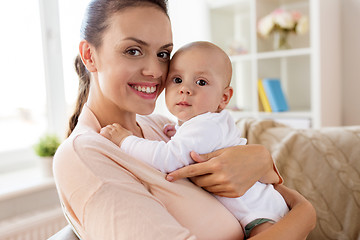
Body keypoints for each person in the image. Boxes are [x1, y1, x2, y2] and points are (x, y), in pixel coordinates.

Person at [53, 0, 316, 239]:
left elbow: (259, 188)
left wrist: (261, 158)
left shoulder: (158, 126)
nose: (155, 71)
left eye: (163, 54)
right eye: (133, 51)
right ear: (89, 55)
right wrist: (305, 214)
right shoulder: (86, 155)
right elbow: (293, 208)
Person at [99, 41, 289, 238]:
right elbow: (194, 146)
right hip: (260, 206)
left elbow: (167, 158)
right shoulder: (202, 123)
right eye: (177, 79)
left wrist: (125, 141)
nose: (185, 89)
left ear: (224, 98)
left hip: (261, 213)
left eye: (201, 82)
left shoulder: (206, 126)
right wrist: (178, 132)